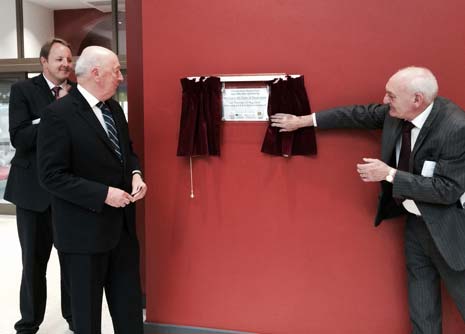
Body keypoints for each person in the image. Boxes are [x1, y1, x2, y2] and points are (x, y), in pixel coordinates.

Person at [270, 66, 465, 334]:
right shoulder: (397, 113)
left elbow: (447, 190)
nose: (385, 101)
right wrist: (303, 121)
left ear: (417, 100)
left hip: (451, 232)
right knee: (422, 307)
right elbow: (356, 115)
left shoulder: (456, 127)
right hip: (416, 225)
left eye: (391, 96)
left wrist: (390, 174)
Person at [37, 45, 147, 334]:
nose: (120, 78)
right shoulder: (58, 114)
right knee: (86, 319)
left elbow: (128, 152)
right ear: (96, 73)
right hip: (82, 236)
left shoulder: (113, 108)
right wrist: (103, 194)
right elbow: (51, 176)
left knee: (130, 311)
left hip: (122, 231)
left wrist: (136, 174)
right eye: (116, 71)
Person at [4, 38, 74, 334]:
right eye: (59, 59)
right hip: (31, 194)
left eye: (69, 59)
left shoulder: (79, 93)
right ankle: (29, 324)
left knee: (72, 261)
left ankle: (76, 318)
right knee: (33, 263)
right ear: (43, 62)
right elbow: (20, 138)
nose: (65, 65)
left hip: (69, 193)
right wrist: (55, 113)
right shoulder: (23, 91)